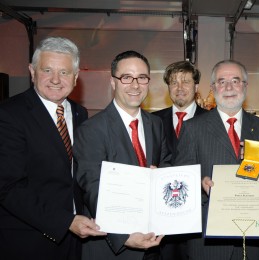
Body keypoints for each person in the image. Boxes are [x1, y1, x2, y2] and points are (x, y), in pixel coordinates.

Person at [0, 36, 106, 260]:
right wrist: (65, 221)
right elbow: (8, 187)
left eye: (65, 72)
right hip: (29, 241)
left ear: (76, 77)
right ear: (32, 71)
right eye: (47, 70)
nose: (56, 79)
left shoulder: (80, 113)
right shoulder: (9, 114)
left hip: (75, 240)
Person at [73, 50, 171, 260]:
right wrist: (124, 235)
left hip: (153, 244)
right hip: (112, 248)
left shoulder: (156, 124)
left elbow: (166, 165)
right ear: (113, 82)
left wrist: (161, 177)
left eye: (142, 78)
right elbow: (93, 189)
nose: (135, 85)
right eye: (126, 77)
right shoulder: (91, 130)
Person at [174, 59, 259, 260]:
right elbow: (180, 178)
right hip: (208, 239)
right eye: (221, 81)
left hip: (253, 237)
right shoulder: (193, 128)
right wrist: (198, 182)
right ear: (212, 88)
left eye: (236, 80)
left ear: (245, 86)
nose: (229, 87)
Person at [152, 61, 207, 259]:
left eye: (185, 82)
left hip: (198, 219)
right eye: (174, 82)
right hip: (160, 221)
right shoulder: (152, 121)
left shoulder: (212, 122)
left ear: (197, 86)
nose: (180, 88)